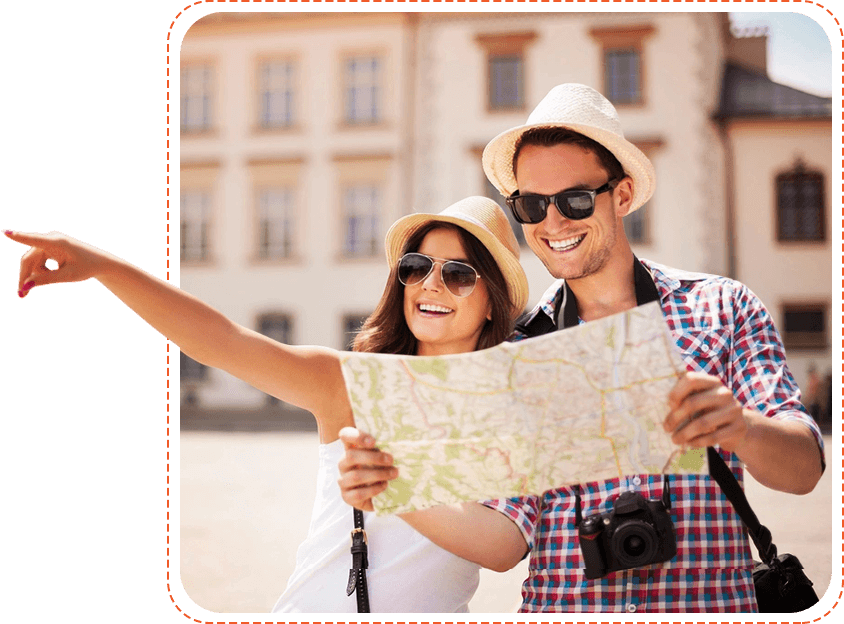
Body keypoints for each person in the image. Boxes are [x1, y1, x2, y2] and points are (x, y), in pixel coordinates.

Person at [337, 83, 826, 613]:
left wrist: (740, 427)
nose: (553, 222)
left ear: (621, 195)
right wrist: (395, 484)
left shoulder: (722, 307)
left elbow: (803, 471)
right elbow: (504, 544)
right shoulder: (516, 351)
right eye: (530, 204)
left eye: (573, 199)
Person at [2, 195, 530, 613]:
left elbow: (504, 549)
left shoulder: (509, 408)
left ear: (492, 303)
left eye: (459, 274)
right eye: (417, 266)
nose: (431, 284)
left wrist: (394, 488)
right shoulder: (352, 382)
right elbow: (221, 341)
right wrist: (104, 267)